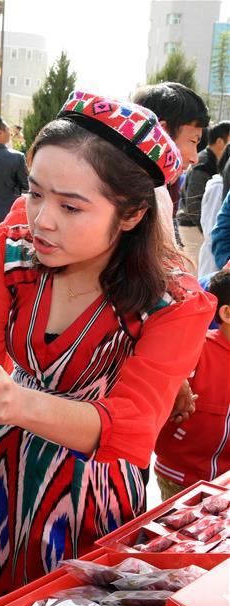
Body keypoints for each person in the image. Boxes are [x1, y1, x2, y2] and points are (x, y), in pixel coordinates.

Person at [0, 91, 215, 606]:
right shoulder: (12, 257)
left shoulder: (175, 302)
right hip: (0, 484)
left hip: (94, 498)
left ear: (132, 213)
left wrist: (14, 401)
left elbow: (130, 428)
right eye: (34, 194)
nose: (42, 220)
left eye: (71, 206)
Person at [154, 268, 230, 500]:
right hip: (180, 475)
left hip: (226, 480)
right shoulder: (196, 350)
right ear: (227, 314)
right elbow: (160, 396)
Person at [133, 82, 209, 246]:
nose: (195, 158)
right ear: (163, 132)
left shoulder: (157, 189)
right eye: (193, 141)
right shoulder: (150, 193)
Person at [182, 121, 230, 269]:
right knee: (194, 273)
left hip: (204, 232)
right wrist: (204, 231)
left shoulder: (211, 163)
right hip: (194, 228)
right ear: (221, 141)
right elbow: (193, 202)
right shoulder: (204, 164)